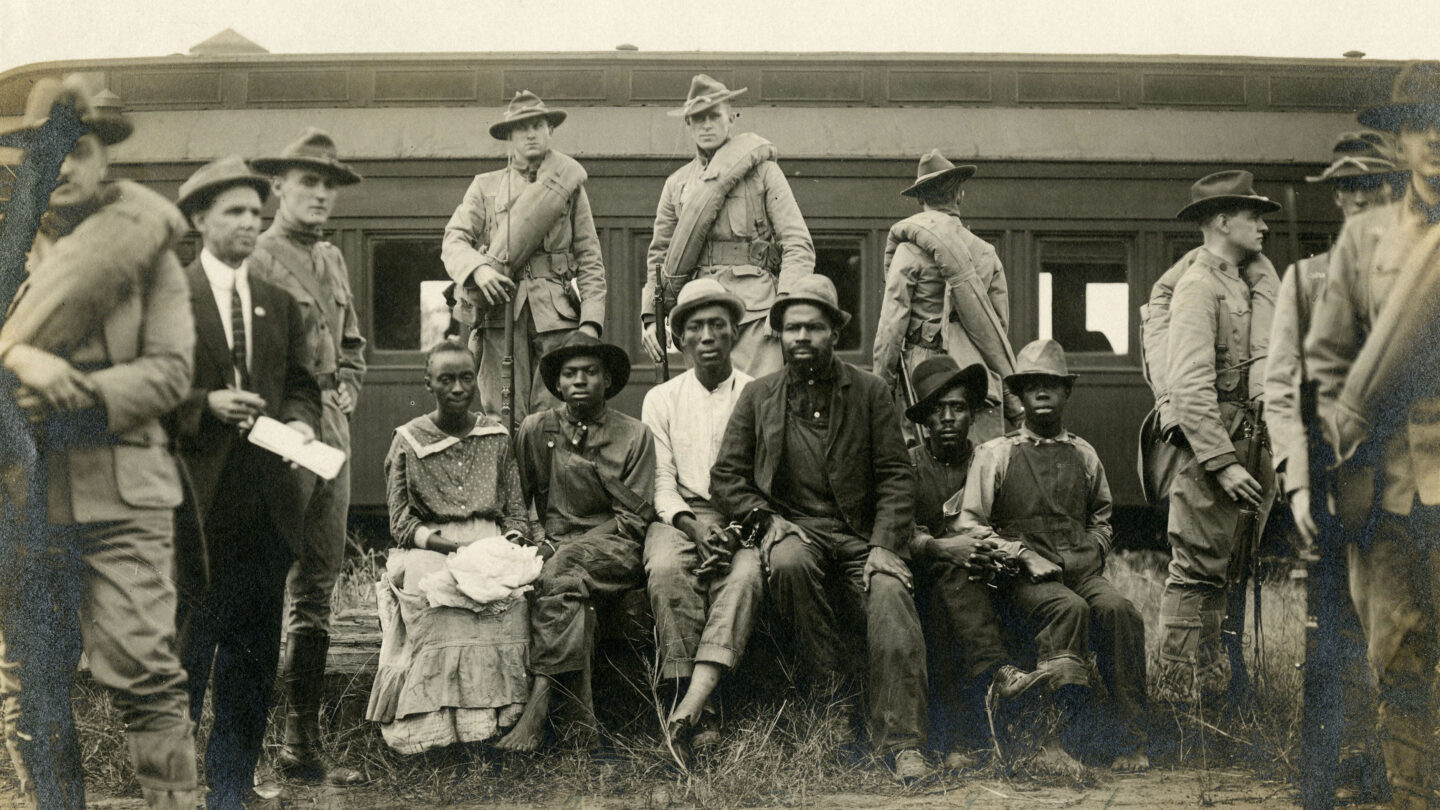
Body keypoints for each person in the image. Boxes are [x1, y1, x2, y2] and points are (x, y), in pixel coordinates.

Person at [0, 76, 198, 810]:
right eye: (46, 152)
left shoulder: (147, 253)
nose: (63, 168)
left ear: (103, 159)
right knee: (29, 681)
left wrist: (81, 395)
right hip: (19, 497)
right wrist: (21, 357)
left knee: (149, 674)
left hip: (123, 494)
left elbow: (172, 373)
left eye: (79, 151)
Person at [710, 275, 930, 783]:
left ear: (834, 332)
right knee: (785, 563)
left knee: (892, 593)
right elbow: (726, 477)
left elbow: (898, 476)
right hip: (796, 531)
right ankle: (833, 702)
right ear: (780, 336)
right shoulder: (759, 395)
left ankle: (902, 742)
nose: (801, 338)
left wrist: (882, 546)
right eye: (791, 329)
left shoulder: (871, 393)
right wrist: (768, 522)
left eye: (813, 327)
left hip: (858, 539)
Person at [1305, 60, 1440, 807]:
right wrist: (1344, 427)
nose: (1437, 142)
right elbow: (1327, 361)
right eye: (1423, 127)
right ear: (1399, 143)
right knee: (1396, 652)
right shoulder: (1364, 242)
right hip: (1388, 483)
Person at [169, 156, 323, 808]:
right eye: (232, 212)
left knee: (252, 658)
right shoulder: (167, 298)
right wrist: (204, 404)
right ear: (200, 219)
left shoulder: (278, 305)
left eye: (255, 215)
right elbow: (141, 394)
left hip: (264, 508)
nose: (247, 225)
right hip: (190, 509)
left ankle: (229, 791)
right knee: (184, 656)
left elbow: (302, 389)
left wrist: (302, 425)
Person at [1263, 132, 1400, 795]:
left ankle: (1402, 770)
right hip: (1335, 487)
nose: (1356, 207)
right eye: (1346, 196)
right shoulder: (1304, 279)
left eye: (1370, 195)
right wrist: (1295, 482)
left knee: (1402, 635)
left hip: (1411, 484)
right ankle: (1343, 766)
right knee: (1335, 640)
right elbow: (1283, 390)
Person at [957, 339, 1148, 774]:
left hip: (1079, 571)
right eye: (1031, 385)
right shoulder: (997, 455)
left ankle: (1129, 741)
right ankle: (1051, 740)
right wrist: (1020, 554)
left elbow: (1103, 516)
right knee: (1069, 609)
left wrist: (1094, 549)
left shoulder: (1084, 454)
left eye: (1051, 385)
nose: (1042, 392)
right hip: (1022, 580)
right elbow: (969, 525)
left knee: (1120, 612)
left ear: (1067, 393)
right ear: (1019, 397)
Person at [248, 127, 367, 785]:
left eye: (328, 185)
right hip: (276, 431)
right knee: (267, 582)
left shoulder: (332, 260)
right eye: (308, 183)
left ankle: (301, 745)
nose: (321, 194)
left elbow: (351, 340)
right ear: (278, 189)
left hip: (330, 430)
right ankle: (243, 748)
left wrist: (349, 381)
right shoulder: (258, 255)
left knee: (318, 584)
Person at [366, 341, 536, 754]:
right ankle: (436, 731)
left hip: (489, 541)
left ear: (476, 380)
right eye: (446, 379)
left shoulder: (495, 437)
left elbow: (515, 512)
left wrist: (505, 549)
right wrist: (451, 547)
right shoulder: (408, 440)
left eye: (465, 378)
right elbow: (401, 522)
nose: (458, 388)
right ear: (429, 384)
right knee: (437, 600)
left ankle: (495, 723)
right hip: (431, 545)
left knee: (511, 601)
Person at [1151, 171, 1279, 709]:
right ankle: (1176, 699)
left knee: (1229, 571)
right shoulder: (1200, 286)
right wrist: (1223, 463)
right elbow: (1189, 386)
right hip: (1211, 452)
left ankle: (1216, 688)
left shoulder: (1241, 279)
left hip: (1245, 443)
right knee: (1195, 572)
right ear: (1222, 221)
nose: (1263, 226)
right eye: (1254, 216)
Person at [497, 333, 656, 751]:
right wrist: (534, 540)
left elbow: (632, 520)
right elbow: (520, 500)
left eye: (590, 372)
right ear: (558, 384)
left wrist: (564, 550)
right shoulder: (536, 428)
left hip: (615, 547)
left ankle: (538, 708)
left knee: (562, 572)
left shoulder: (635, 435)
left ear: (607, 381)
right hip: (553, 549)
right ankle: (581, 723)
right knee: (571, 594)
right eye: (570, 373)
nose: (580, 381)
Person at [640, 278, 762, 754]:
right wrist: (692, 525)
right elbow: (661, 482)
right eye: (695, 327)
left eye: (718, 325)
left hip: (742, 519)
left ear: (736, 333)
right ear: (680, 339)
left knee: (746, 575)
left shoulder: (758, 393)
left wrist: (733, 532)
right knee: (668, 570)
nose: (707, 336)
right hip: (680, 516)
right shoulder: (662, 398)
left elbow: (765, 481)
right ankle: (702, 713)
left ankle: (693, 704)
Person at [442, 91, 606, 426]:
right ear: (509, 137)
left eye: (538, 125)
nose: (531, 133)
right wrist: (479, 270)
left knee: (557, 417)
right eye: (521, 128)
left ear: (550, 131)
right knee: (500, 415)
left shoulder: (569, 185)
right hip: (500, 312)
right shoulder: (484, 187)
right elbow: (453, 241)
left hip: (555, 318)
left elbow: (590, 257)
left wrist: (590, 322)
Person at [641, 74, 815, 379]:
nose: (706, 125)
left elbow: (798, 243)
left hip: (756, 315)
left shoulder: (764, 174)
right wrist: (649, 319)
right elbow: (659, 257)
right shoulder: (676, 184)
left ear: (731, 119)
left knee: (759, 406)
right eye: (698, 118)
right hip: (698, 313)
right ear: (688, 125)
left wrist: (784, 306)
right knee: (704, 410)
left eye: (714, 116)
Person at [899, 357, 1008, 769]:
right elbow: (898, 526)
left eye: (958, 407)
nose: (948, 418)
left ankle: (977, 734)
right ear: (925, 418)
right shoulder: (907, 464)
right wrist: (942, 548)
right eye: (938, 409)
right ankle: (958, 734)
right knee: (944, 601)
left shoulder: (990, 462)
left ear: (972, 413)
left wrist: (986, 553)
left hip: (983, 578)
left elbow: (1007, 523)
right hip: (923, 578)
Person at [873, 150, 1021, 446]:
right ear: (960, 195)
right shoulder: (985, 253)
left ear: (920, 200)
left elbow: (891, 329)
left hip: (922, 372)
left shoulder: (908, 251)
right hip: (974, 374)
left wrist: (881, 388)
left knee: (922, 457)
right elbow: (996, 326)